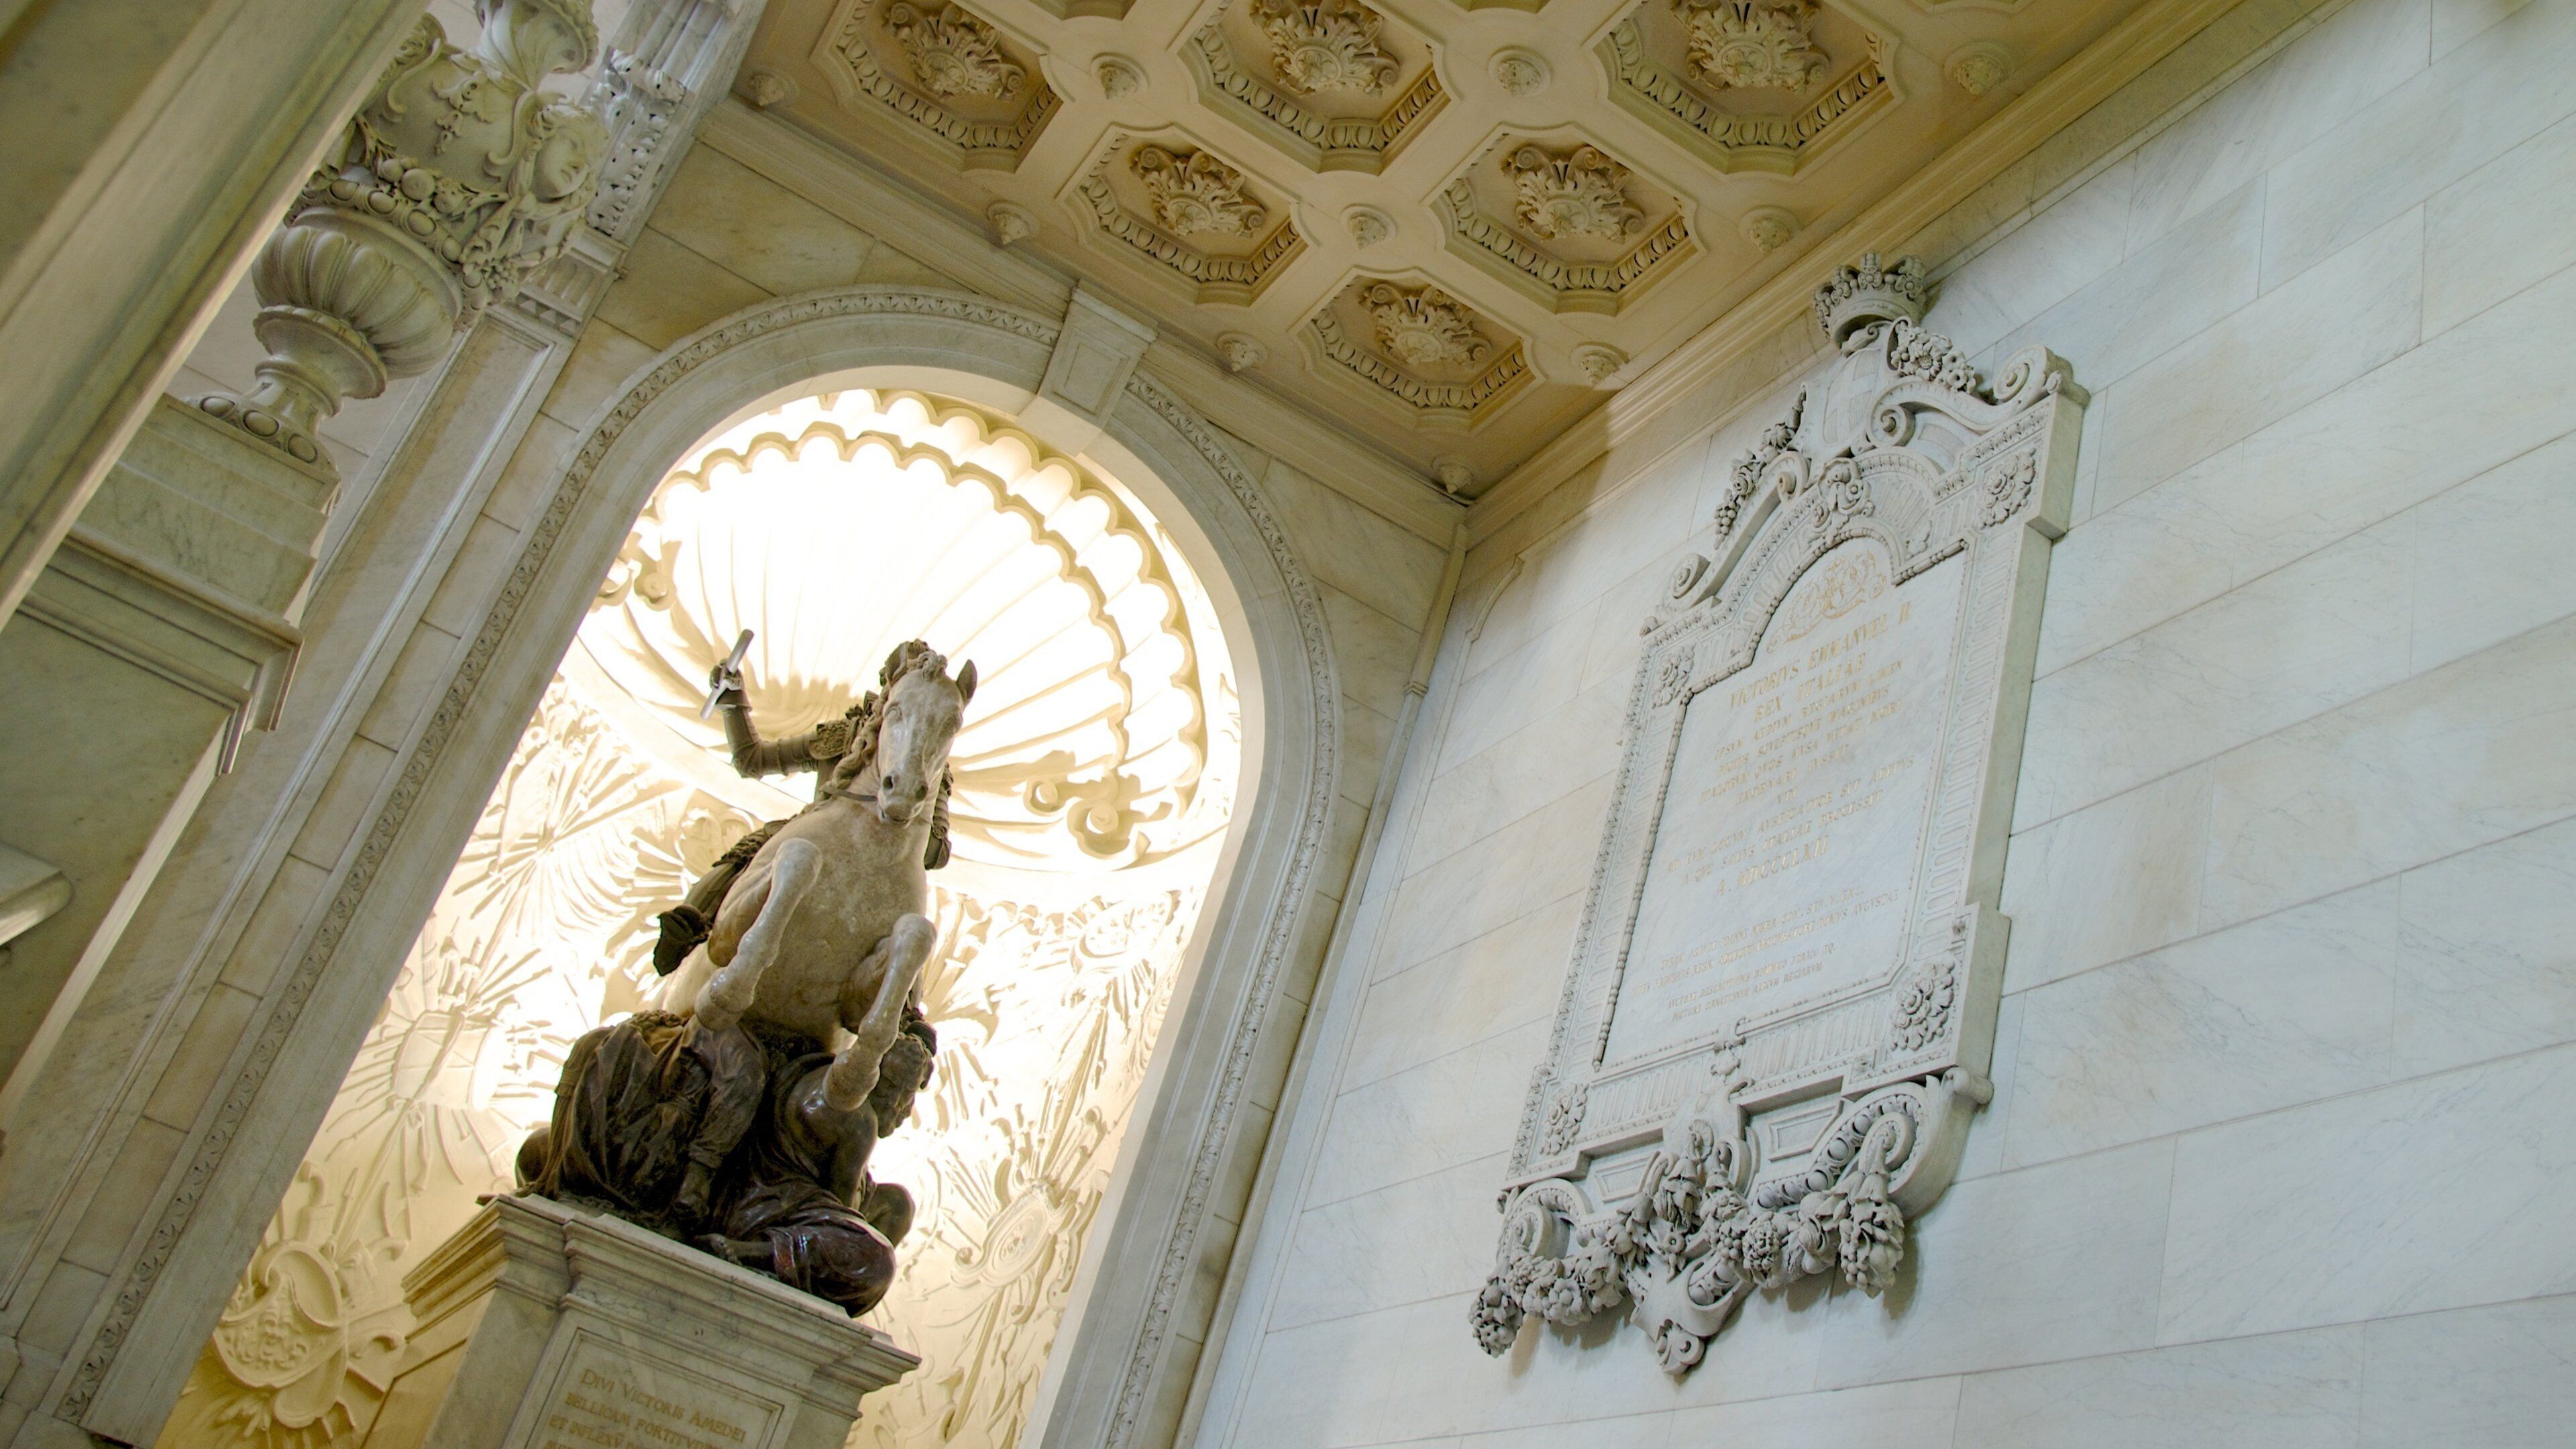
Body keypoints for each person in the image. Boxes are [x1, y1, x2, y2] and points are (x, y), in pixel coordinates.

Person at [652, 643, 955, 974]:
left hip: (888, 859)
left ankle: (906, 1009)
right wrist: (732, 701)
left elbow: (934, 854)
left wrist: (919, 809)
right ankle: (694, 925)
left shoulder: (932, 768)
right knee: (756, 849)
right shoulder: (844, 735)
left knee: (909, 924)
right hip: (816, 831)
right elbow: (751, 759)